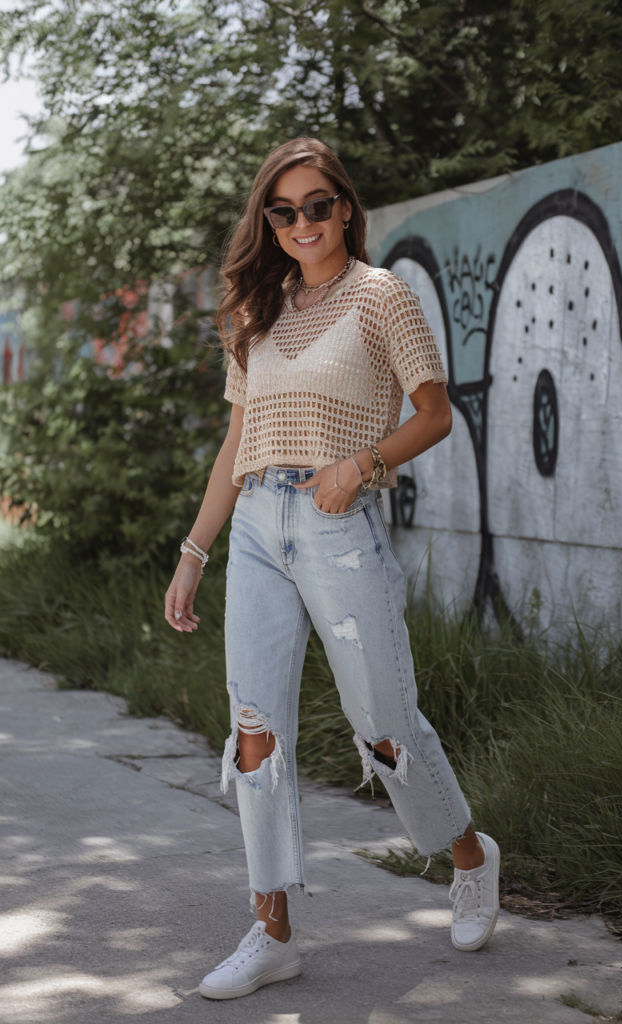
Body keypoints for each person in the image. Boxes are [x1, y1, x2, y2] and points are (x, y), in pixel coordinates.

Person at [164, 137, 500, 1001]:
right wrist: (194, 552)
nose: (303, 222)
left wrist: (360, 469)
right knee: (253, 731)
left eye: (319, 204)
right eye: (284, 210)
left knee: (385, 724)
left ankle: (467, 852)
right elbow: (237, 444)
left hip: (335, 525)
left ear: (346, 208)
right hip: (256, 531)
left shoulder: (381, 295)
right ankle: (273, 928)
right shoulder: (259, 313)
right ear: (267, 222)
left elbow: (435, 414)